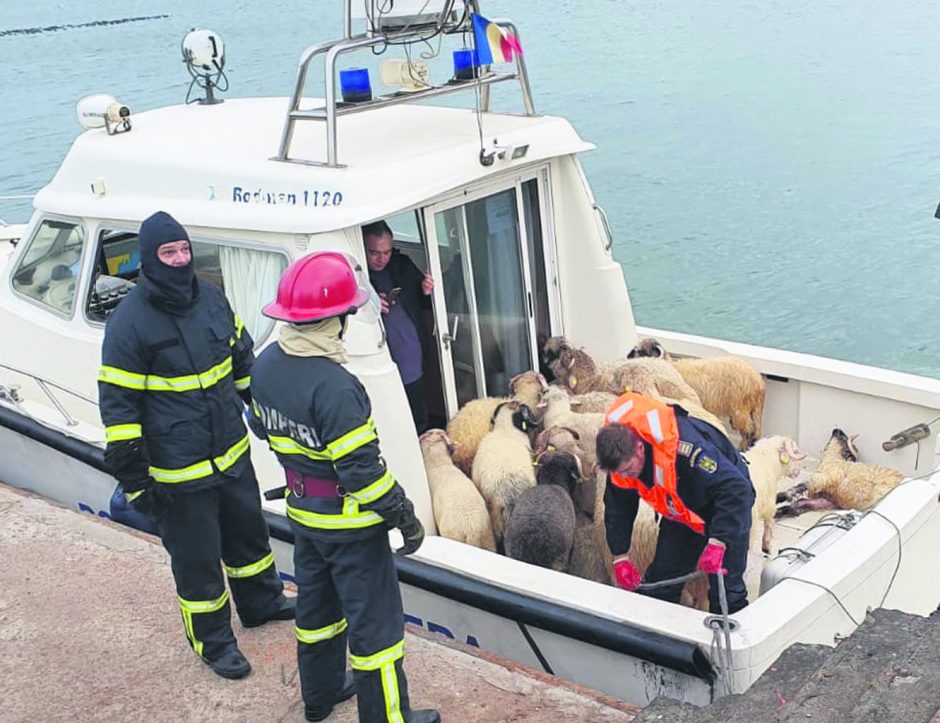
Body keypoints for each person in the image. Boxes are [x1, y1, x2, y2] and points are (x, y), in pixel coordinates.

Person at [97, 211, 294, 680]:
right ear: (149, 260)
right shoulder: (128, 325)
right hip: (179, 474)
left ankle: (262, 602)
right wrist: (136, 479)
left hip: (231, 454)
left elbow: (242, 361)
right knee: (198, 563)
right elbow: (119, 409)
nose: (181, 259)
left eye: (185, 249)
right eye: (169, 253)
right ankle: (212, 642)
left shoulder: (212, 299)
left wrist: (263, 413)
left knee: (250, 539)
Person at [248, 251, 440, 723]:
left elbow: (261, 427)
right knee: (376, 632)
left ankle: (321, 696)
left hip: (303, 517)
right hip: (351, 528)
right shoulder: (336, 386)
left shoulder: (266, 363)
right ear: (334, 320)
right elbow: (362, 474)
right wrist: (404, 515)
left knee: (316, 614)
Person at [596, 391, 755, 614]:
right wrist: (619, 556)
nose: (628, 476)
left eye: (629, 469)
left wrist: (719, 540)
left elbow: (737, 490)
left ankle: (730, 637)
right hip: (682, 512)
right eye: (621, 473)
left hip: (725, 505)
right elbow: (617, 509)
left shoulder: (689, 451)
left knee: (726, 593)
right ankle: (652, 638)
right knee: (662, 581)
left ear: (640, 448)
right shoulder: (620, 464)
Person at [362, 220, 433, 434]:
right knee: (391, 427)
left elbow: (423, 304)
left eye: (387, 251)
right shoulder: (357, 278)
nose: (381, 258)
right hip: (380, 367)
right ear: (361, 248)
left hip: (412, 359)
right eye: (374, 252)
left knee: (419, 421)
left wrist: (426, 291)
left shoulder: (402, 265)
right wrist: (369, 306)